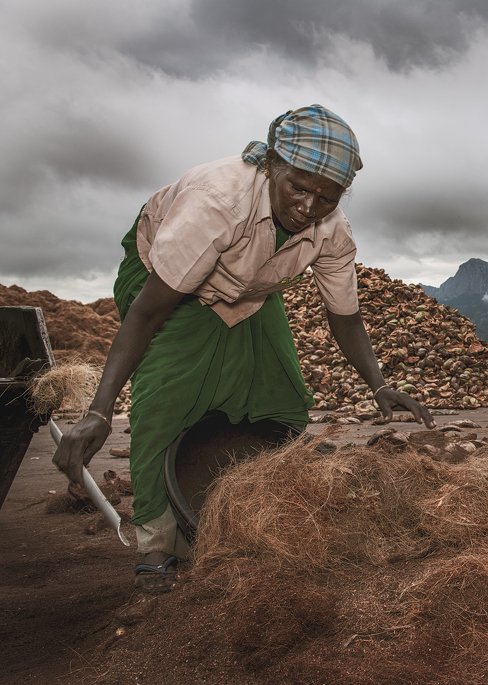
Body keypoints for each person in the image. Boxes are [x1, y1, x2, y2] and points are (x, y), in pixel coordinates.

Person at [53, 104, 435, 592]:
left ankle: (254, 515)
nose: (309, 207)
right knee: (169, 398)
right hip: (164, 282)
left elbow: (345, 316)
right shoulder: (217, 204)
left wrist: (379, 385)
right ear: (272, 164)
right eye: (298, 187)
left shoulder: (332, 231)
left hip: (249, 290)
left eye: (327, 196)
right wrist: (100, 411)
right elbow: (147, 313)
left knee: (280, 393)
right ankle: (157, 542)